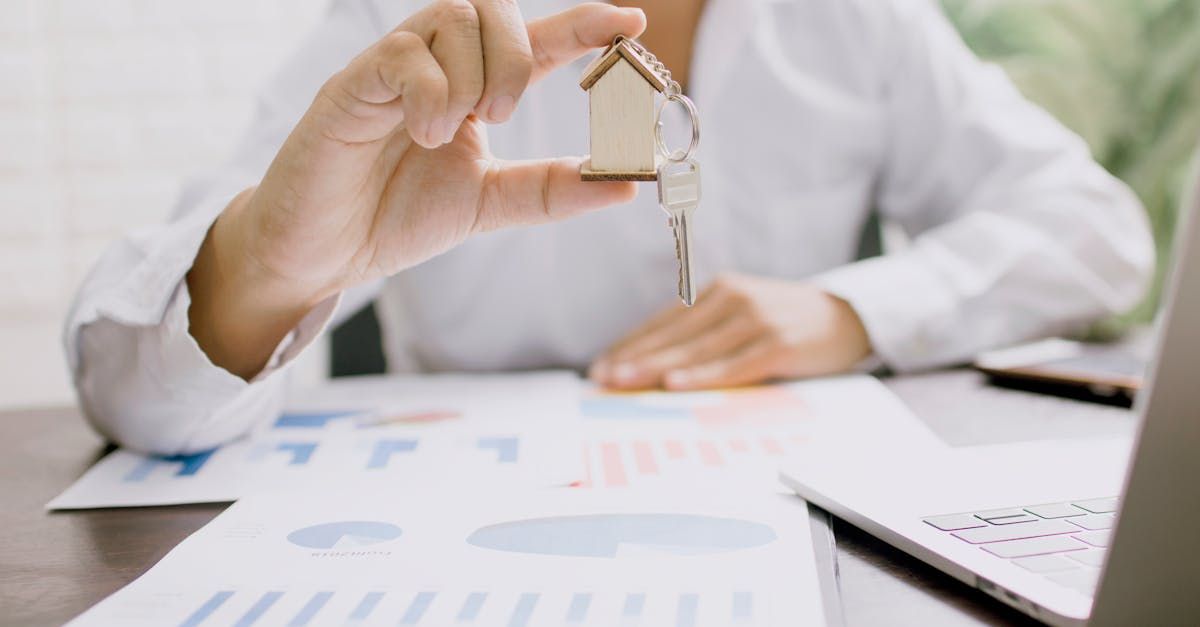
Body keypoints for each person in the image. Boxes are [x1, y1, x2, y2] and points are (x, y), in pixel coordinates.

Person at [64, 0, 1153, 455]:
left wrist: (853, 309)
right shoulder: (411, 23)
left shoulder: (857, 17)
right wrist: (271, 267)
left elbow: (1098, 230)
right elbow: (127, 386)